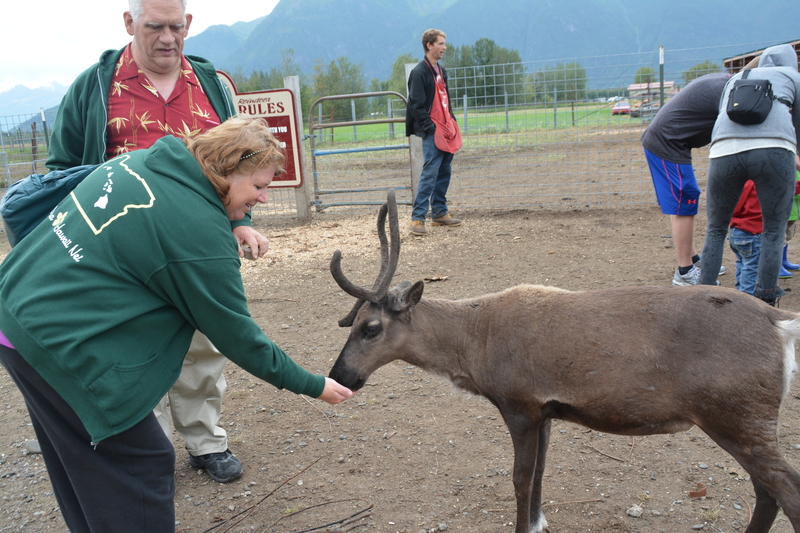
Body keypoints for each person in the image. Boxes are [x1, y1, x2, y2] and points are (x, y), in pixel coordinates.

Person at [0, 116, 355, 532]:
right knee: (142, 461)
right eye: (257, 186)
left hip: (17, 314)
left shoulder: (142, 161)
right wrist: (312, 384)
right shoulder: (200, 233)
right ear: (225, 169)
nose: (261, 198)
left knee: (80, 460)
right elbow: (238, 336)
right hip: (58, 344)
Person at [44, 0, 257, 482]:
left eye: (176, 27)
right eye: (154, 26)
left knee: (204, 344)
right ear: (128, 23)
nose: (167, 38)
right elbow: (61, 170)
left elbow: (239, 165)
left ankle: (206, 441)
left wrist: (237, 222)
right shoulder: (94, 87)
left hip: (199, 243)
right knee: (133, 347)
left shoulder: (212, 87)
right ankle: (150, 449)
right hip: (120, 253)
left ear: (189, 25)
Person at [699, 44, 800, 306]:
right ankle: (766, 302)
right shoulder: (793, 77)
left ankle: (700, 298)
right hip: (774, 150)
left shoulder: (736, 78)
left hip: (724, 150)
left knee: (716, 228)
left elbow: (723, 114)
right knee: (773, 230)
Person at [641, 71, 731, 286]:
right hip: (667, 142)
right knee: (685, 200)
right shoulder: (730, 90)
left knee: (680, 202)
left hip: (671, 142)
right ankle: (685, 272)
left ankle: (693, 260)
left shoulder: (724, 82)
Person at [406, 28, 462, 236]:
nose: (444, 48)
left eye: (444, 44)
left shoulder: (441, 71)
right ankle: (418, 219)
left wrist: (452, 123)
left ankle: (439, 212)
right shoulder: (419, 72)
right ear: (429, 45)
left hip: (446, 129)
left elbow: (446, 101)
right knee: (430, 173)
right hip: (433, 131)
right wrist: (431, 129)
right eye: (440, 43)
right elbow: (416, 106)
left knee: (444, 171)